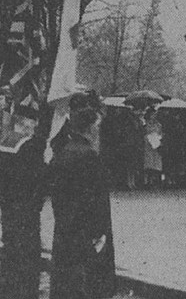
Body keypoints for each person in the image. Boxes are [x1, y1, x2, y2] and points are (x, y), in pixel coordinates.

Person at [49, 93, 115, 299]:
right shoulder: (89, 156)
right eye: (96, 126)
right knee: (86, 281)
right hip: (86, 231)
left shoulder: (64, 152)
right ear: (90, 127)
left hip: (65, 227)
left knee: (65, 279)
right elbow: (96, 200)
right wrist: (99, 232)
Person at [0, 102, 47, 299]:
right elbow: (38, 179)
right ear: (26, 123)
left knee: (10, 253)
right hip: (27, 207)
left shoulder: (1, 145)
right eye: (34, 122)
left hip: (8, 208)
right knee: (28, 256)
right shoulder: (29, 146)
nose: (35, 126)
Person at [142, 108, 163, 187]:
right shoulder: (146, 124)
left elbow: (160, 132)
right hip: (148, 143)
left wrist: (159, 138)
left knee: (155, 161)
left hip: (156, 143)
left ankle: (153, 180)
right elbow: (145, 131)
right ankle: (146, 180)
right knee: (148, 161)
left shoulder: (158, 124)